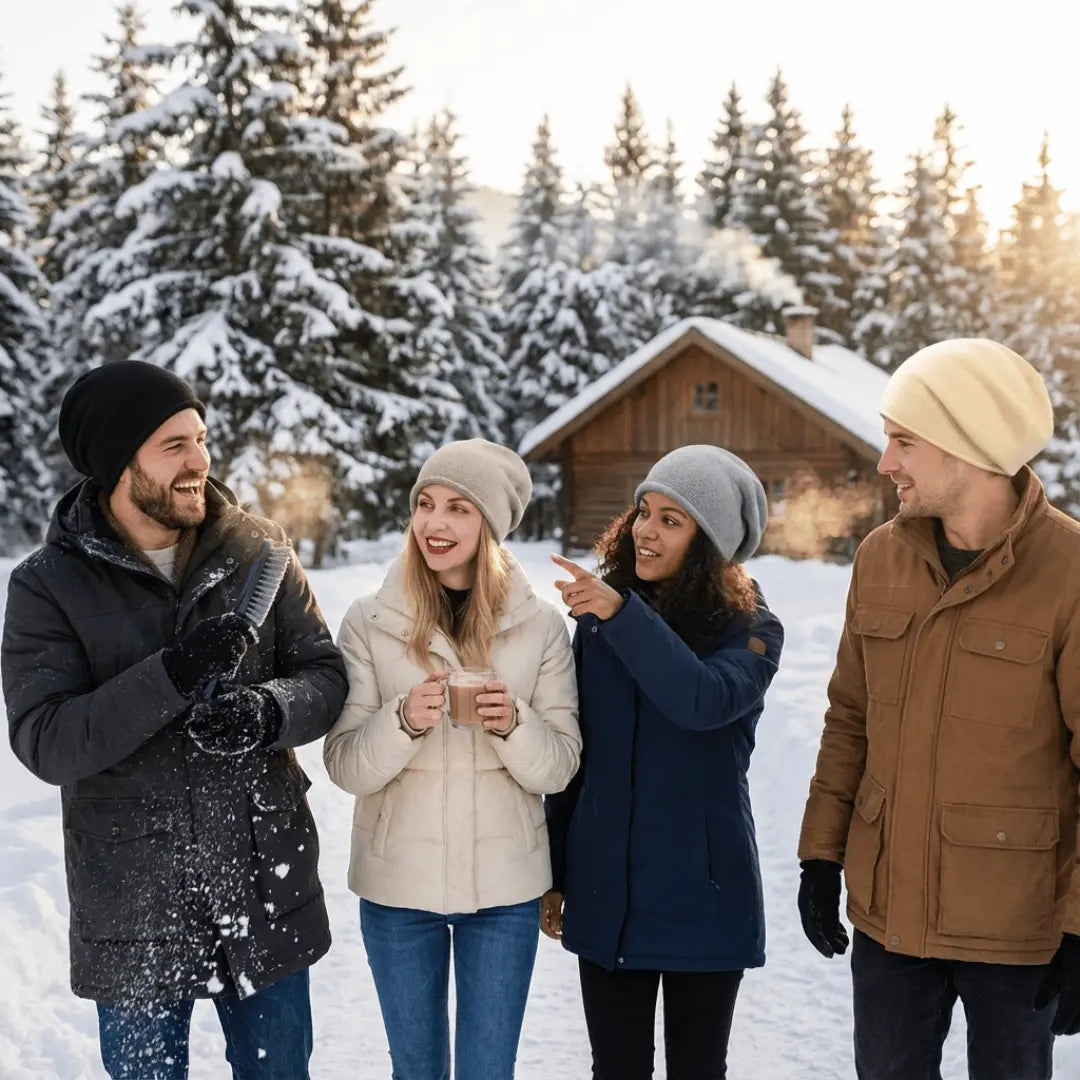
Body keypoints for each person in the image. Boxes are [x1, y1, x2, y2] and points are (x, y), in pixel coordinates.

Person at [3, 361, 348, 1080]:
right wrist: (173, 674)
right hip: (134, 904)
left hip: (262, 882)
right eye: (175, 445)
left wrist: (267, 711)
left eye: (202, 438)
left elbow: (326, 677)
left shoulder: (260, 550)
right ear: (119, 463)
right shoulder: (46, 587)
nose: (201, 462)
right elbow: (48, 740)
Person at [798, 338, 1080, 1080]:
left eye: (904, 442)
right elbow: (849, 720)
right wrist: (821, 857)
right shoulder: (881, 558)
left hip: (1020, 933)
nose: (886, 461)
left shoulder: (1071, 572)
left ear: (967, 449)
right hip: (890, 920)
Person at [323, 438, 580, 1080]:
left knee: (488, 1072)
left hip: (506, 892)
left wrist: (513, 723)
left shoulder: (540, 626)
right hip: (397, 889)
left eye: (459, 509)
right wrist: (402, 721)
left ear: (489, 524)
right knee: (416, 1071)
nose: (435, 524)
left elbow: (560, 767)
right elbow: (345, 764)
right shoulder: (369, 621)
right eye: (426, 505)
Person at [543, 444, 784, 1080]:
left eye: (672, 520)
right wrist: (555, 868)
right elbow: (578, 750)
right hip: (606, 890)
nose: (646, 530)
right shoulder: (602, 621)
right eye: (644, 511)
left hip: (702, 898)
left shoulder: (753, 629)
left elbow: (700, 700)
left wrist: (622, 615)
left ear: (711, 543)